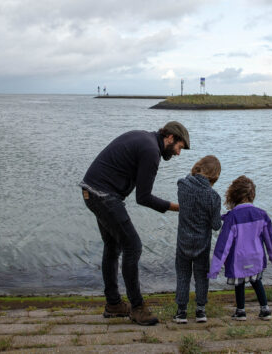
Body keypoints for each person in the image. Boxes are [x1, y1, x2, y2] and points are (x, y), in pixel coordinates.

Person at [80, 121, 190, 326]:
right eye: (179, 147)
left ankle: (113, 304)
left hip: (91, 191)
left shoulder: (145, 139)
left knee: (113, 246)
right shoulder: (151, 151)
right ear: (170, 138)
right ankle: (137, 308)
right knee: (133, 246)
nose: (178, 153)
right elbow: (144, 197)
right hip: (103, 195)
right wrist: (179, 207)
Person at [207, 175, 272, 321]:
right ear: (252, 195)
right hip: (256, 258)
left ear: (233, 195)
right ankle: (265, 309)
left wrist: (214, 269)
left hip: (238, 259)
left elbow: (223, 245)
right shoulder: (262, 214)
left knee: (239, 284)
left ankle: (241, 311)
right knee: (257, 282)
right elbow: (270, 239)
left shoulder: (232, 217)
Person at [173, 155, 222, 324]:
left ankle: (181, 312)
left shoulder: (182, 185)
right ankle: (200, 311)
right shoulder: (213, 197)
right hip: (202, 243)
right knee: (201, 276)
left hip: (183, 241)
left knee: (182, 275)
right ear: (215, 175)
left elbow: (185, 181)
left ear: (198, 166)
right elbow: (216, 225)